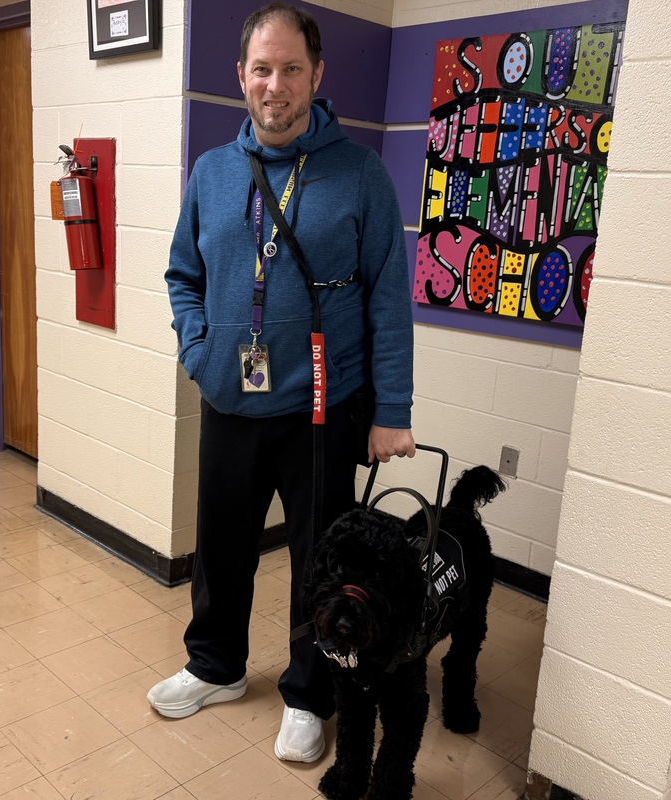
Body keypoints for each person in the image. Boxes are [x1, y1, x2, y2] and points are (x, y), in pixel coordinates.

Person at [148, 2, 415, 764]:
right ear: (241, 76)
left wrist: (390, 410)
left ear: (316, 76)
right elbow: (182, 276)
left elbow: (389, 302)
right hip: (228, 401)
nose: (275, 85)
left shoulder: (360, 175)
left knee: (318, 562)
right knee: (220, 548)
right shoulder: (211, 171)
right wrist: (198, 349)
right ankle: (216, 665)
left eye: (291, 69)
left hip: (322, 410)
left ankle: (310, 692)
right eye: (261, 69)